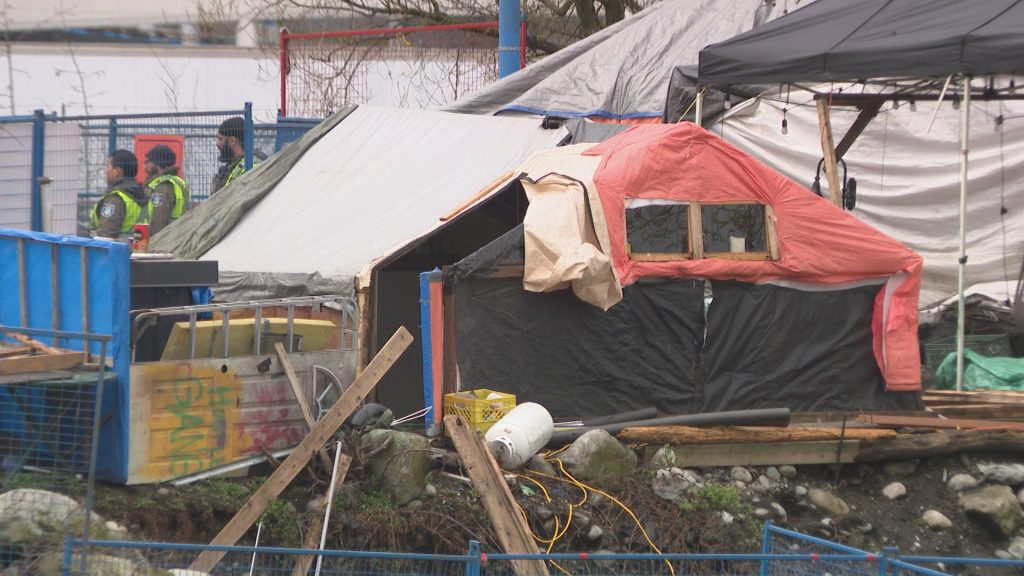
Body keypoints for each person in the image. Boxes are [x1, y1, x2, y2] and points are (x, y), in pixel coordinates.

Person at [90, 149, 148, 238]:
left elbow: (106, 234)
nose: (106, 171)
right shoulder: (140, 194)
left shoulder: (115, 198)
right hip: (135, 249)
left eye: (108, 166)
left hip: (115, 251)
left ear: (117, 171)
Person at [144, 145, 191, 235]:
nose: (145, 164)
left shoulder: (163, 186)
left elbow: (158, 221)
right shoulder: (178, 181)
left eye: (148, 161)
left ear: (158, 164)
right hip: (176, 235)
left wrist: (153, 243)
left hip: (163, 240)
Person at [212, 116, 264, 193]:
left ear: (232, 140)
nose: (217, 144)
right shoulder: (230, 168)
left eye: (220, 139)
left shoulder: (252, 166)